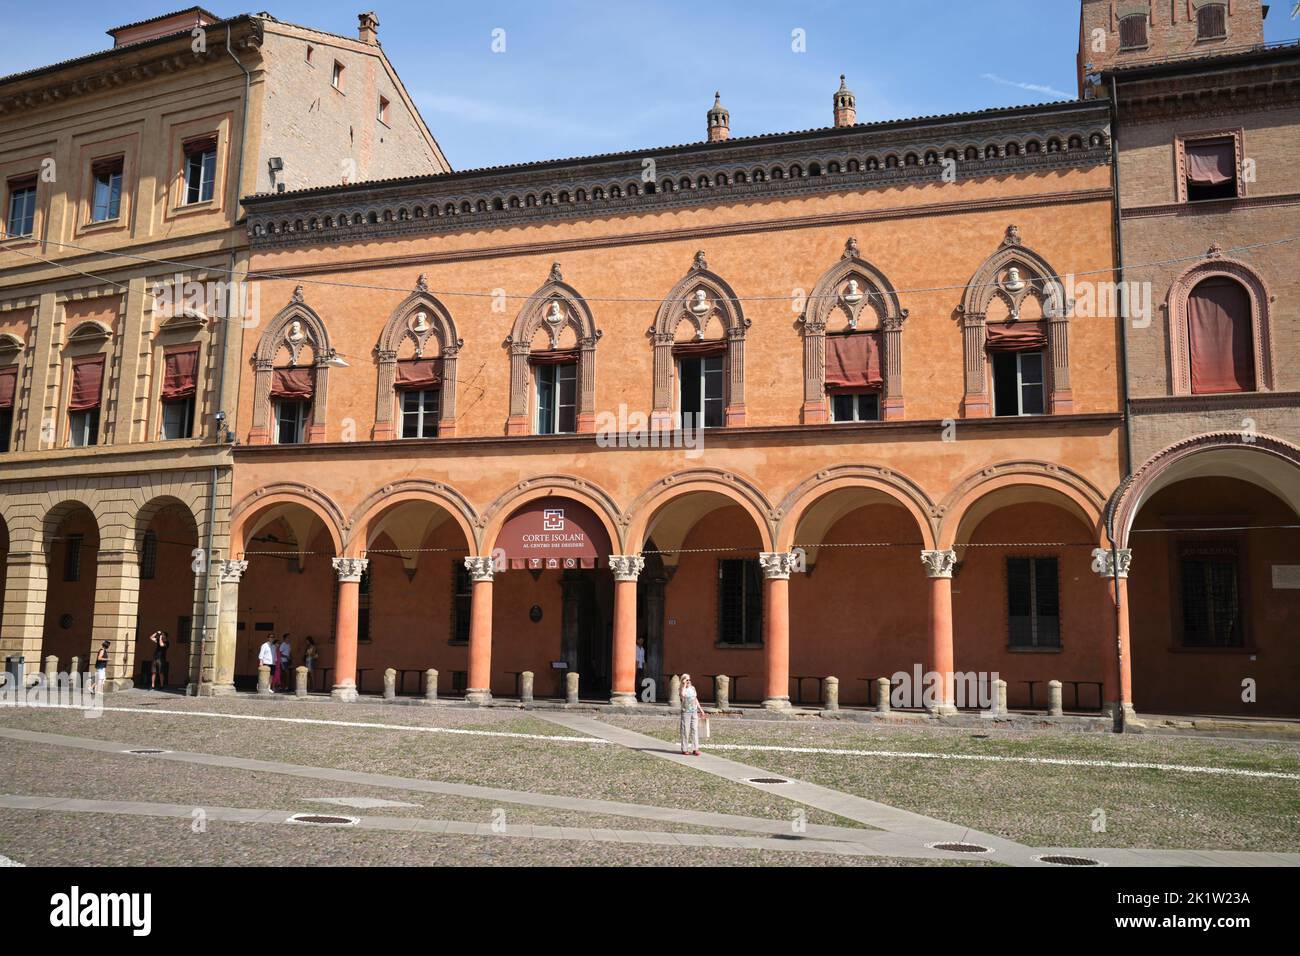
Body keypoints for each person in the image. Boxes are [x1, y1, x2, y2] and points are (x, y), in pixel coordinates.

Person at [679, 673, 702, 756]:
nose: (688, 681)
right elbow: (683, 695)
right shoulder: (681, 689)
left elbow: (695, 699)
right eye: (686, 680)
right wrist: (684, 684)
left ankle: (695, 749)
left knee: (694, 730)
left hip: (694, 711)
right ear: (682, 681)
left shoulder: (693, 688)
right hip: (686, 712)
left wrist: (701, 709)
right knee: (685, 730)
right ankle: (684, 749)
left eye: (689, 680)